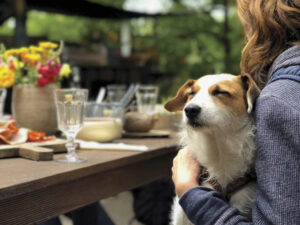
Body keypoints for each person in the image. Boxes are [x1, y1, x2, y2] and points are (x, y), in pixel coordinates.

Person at [171, 0, 300, 224]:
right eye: (192, 95)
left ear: (258, 25)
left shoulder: (278, 100)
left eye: (244, 22)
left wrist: (190, 191)